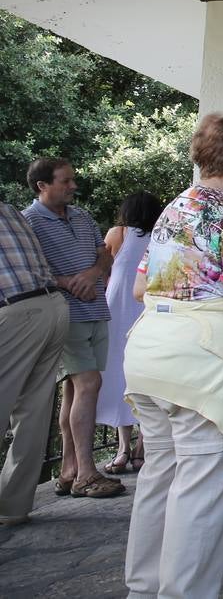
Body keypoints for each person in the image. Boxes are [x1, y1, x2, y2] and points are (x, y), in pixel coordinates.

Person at [123, 114, 223, 598]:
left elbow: (141, 285)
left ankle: (142, 591)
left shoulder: (172, 209)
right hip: (201, 361)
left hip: (148, 351)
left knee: (159, 479)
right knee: (201, 494)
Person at [22, 157, 121, 499]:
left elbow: (105, 254)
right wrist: (66, 281)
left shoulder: (82, 216)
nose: (73, 186)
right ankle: (87, 474)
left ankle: (69, 470)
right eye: (66, 181)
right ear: (42, 186)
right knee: (88, 383)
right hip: (66, 315)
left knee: (76, 391)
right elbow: (29, 271)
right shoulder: (28, 223)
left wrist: (92, 274)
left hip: (95, 309)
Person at [0, 202, 68, 526]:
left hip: (15, 312)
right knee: (33, 413)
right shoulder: (10, 210)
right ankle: (12, 506)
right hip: (52, 306)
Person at [98, 191, 165, 475]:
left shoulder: (118, 234)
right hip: (148, 311)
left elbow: (102, 268)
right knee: (146, 377)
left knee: (116, 376)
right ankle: (141, 448)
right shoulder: (161, 236)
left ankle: (123, 447)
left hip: (116, 310)